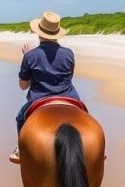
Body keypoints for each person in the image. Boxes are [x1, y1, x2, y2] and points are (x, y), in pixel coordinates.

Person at [10, 11, 81, 163]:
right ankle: (99, 152)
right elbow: (70, 77)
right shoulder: (69, 54)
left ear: (39, 33)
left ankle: (21, 150)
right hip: (69, 97)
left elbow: (23, 86)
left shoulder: (31, 56)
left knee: (20, 118)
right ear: (57, 33)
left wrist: (26, 58)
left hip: (39, 100)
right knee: (85, 118)